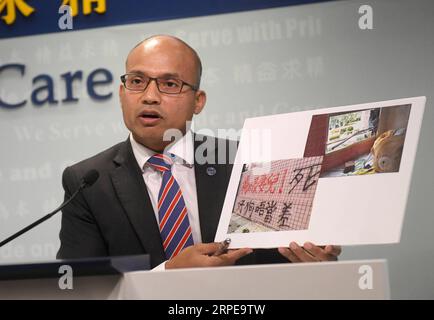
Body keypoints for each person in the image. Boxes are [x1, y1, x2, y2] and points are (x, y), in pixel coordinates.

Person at [57, 35, 341, 269]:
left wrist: (309, 259)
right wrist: (167, 274)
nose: (149, 96)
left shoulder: (246, 161)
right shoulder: (87, 182)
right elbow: (79, 286)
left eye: (170, 84)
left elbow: (276, 260)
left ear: (198, 102)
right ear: (122, 93)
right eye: (136, 81)